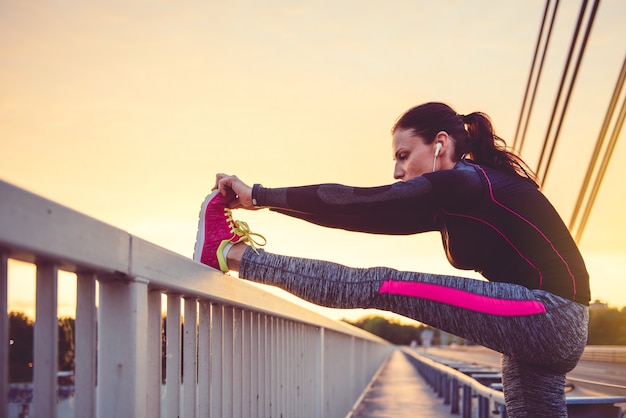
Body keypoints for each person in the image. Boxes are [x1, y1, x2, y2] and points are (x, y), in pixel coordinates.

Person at [193, 102, 590, 418]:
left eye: (403, 155)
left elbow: (356, 199)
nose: (398, 171)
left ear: (439, 144)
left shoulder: (469, 181)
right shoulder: (450, 204)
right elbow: (355, 214)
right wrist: (262, 204)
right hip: (542, 328)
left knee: (382, 285)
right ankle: (235, 254)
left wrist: (257, 194)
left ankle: (234, 255)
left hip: (549, 315)